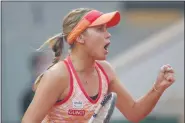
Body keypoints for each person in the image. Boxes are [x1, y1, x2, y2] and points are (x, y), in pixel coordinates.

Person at [22, 8, 175, 123]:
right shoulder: (58, 76)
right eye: (100, 29)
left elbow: (134, 113)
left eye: (106, 29)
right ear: (80, 37)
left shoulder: (105, 71)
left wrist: (158, 88)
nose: (108, 34)